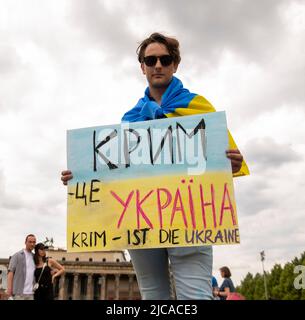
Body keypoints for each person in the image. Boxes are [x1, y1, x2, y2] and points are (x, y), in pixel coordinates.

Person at [61, 33, 249, 299]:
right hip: (142, 223)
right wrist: (78, 176)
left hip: (190, 219)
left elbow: (224, 165)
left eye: (165, 59)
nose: (158, 65)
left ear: (175, 64)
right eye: (151, 60)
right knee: (153, 297)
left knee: (195, 297)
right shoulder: (130, 120)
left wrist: (232, 163)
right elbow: (111, 175)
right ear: (143, 67)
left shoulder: (199, 108)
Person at [6, 234, 36, 300]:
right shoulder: (17, 256)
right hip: (19, 294)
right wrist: (9, 291)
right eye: (30, 242)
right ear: (25, 242)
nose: (32, 244)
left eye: (34, 242)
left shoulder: (34, 257)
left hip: (31, 294)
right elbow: (10, 273)